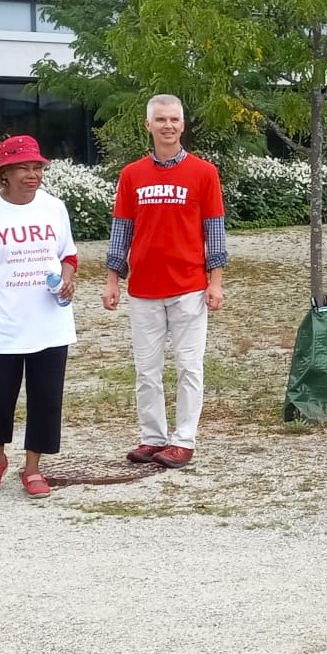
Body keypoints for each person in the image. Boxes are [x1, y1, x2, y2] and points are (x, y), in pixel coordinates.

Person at [102, 94, 227, 469]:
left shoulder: (204, 173)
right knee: (146, 369)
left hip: (188, 286)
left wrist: (215, 281)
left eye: (174, 119)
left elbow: (215, 230)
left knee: (189, 367)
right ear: (149, 125)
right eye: (161, 119)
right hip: (144, 290)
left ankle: (184, 440)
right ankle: (153, 437)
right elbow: (121, 230)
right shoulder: (132, 175)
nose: (168, 126)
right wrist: (113, 279)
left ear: (183, 125)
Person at [0, 135, 78, 499]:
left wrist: (68, 280)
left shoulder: (54, 208)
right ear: (5, 173)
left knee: (45, 398)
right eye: (23, 168)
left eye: (37, 167)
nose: (33, 174)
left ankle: (33, 467)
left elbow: (68, 256)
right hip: (3, 326)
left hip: (49, 326)